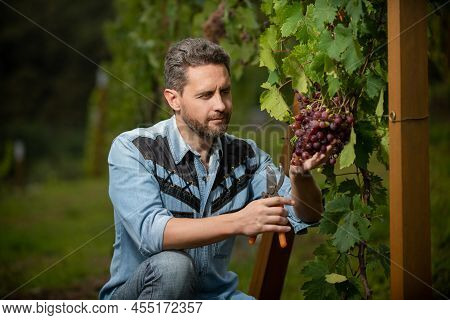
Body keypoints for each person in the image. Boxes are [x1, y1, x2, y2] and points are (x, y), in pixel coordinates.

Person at [99, 38, 331, 300]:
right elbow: (152, 232)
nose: (220, 105)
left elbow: (308, 215)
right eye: (206, 95)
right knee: (173, 267)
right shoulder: (134, 149)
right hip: (140, 297)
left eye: (225, 91)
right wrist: (240, 220)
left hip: (215, 299)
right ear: (173, 99)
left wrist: (301, 177)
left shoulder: (248, 157)